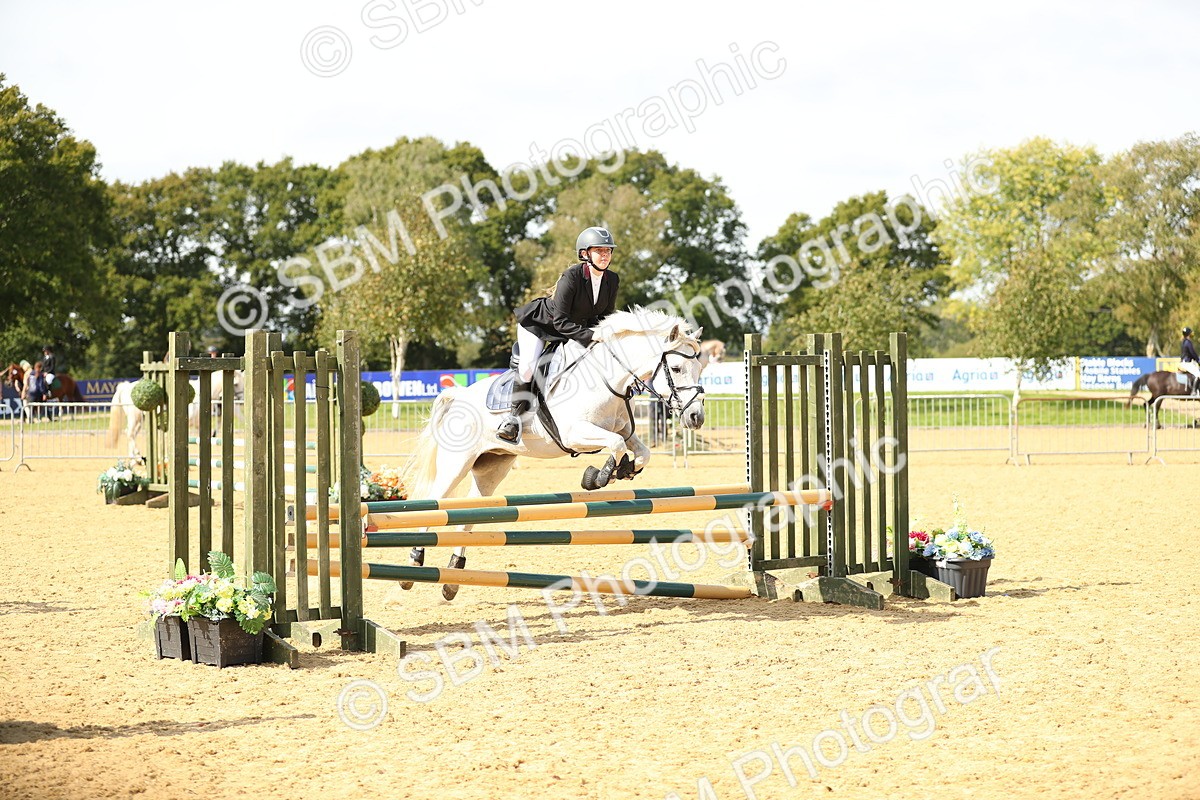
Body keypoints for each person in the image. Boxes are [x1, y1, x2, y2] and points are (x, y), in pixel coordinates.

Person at [497, 226, 621, 442]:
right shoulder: (571, 276)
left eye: (608, 251)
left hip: (571, 330)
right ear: (585, 254)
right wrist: (591, 336)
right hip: (540, 325)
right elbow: (561, 321)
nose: (604, 255)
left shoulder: (612, 279)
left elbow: (604, 317)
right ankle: (512, 419)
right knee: (528, 368)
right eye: (599, 250)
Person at [1181, 327, 1199, 392]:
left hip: (1184, 362)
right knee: (1198, 374)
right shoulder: (1188, 342)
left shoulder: (1184, 341)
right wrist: (1198, 360)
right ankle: (1194, 391)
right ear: (1189, 334)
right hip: (1187, 363)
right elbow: (1193, 353)